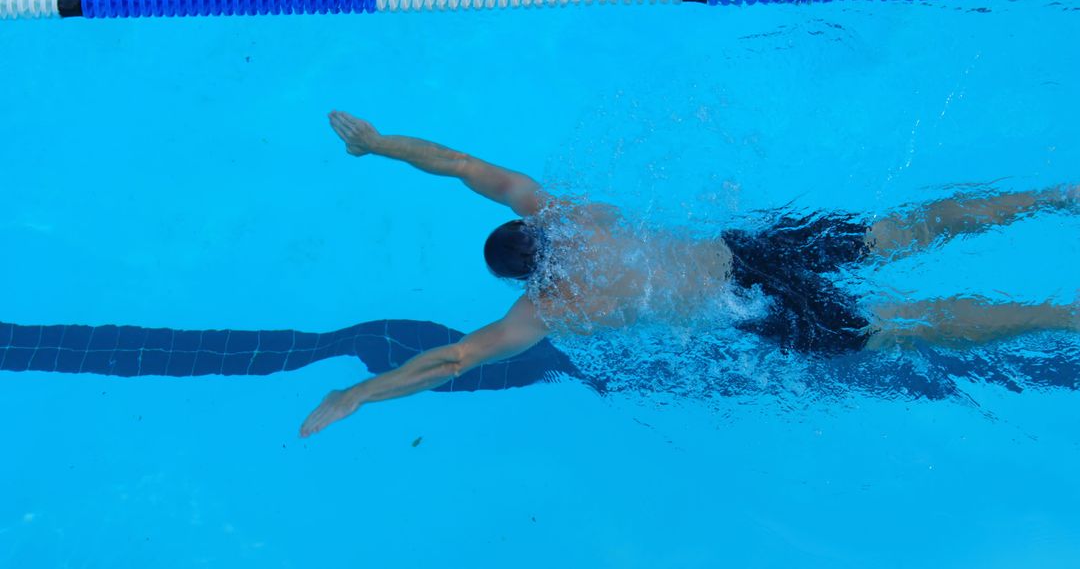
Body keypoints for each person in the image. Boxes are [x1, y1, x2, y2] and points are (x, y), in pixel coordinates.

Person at [300, 110, 1079, 437]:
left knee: (902, 328)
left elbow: (455, 358)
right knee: (899, 232)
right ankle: (1054, 196)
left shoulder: (544, 311)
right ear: (531, 226)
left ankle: (1064, 318)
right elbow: (464, 166)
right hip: (750, 251)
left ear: (518, 277)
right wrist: (376, 144)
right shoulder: (571, 212)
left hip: (743, 306)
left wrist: (358, 392)